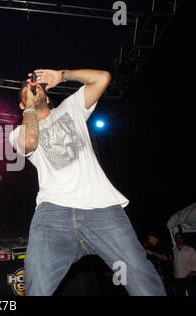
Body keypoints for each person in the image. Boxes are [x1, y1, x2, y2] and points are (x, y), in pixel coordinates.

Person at [9, 68, 166, 296]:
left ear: (48, 95)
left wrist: (61, 76)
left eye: (37, 87)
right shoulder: (18, 133)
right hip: (54, 215)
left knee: (140, 278)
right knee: (37, 284)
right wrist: (32, 107)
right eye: (27, 91)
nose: (33, 90)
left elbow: (103, 78)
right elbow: (30, 142)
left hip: (102, 210)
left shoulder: (70, 108)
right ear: (22, 106)